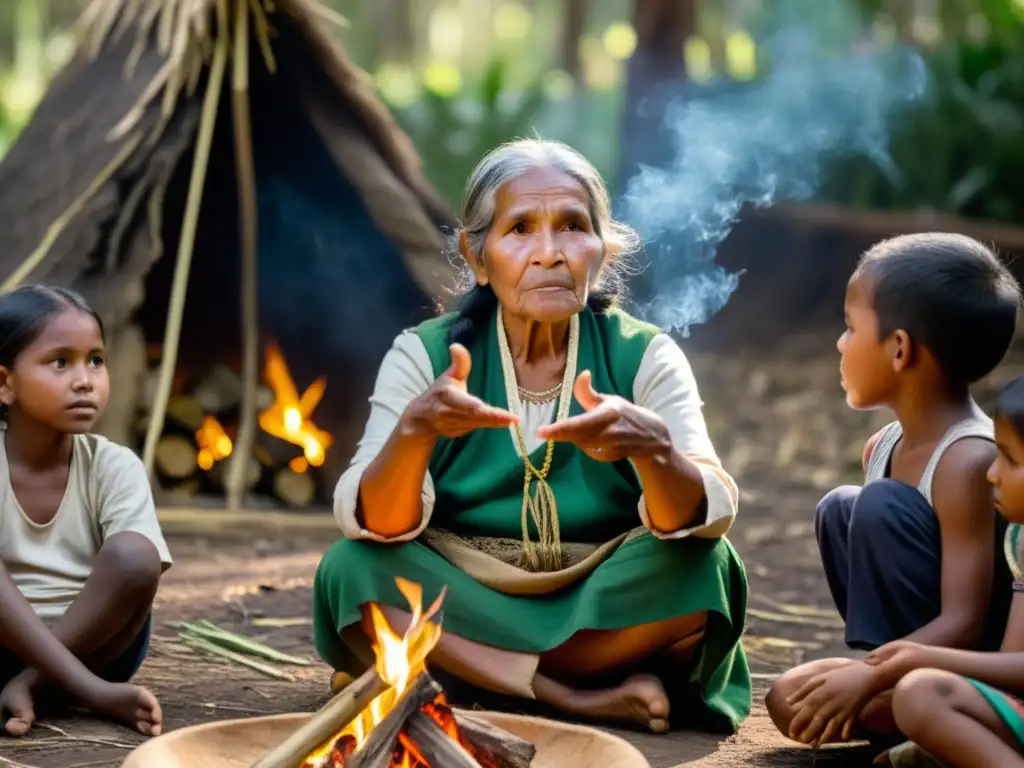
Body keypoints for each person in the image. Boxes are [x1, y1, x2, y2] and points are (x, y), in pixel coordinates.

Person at [312, 139, 750, 735]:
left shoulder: (645, 355)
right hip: (467, 591)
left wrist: (655, 451)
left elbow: (703, 512)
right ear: (478, 255)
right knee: (352, 568)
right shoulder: (425, 355)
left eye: (572, 226)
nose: (549, 253)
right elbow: (377, 523)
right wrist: (415, 431)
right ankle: (563, 694)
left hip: (594, 599)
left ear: (603, 249)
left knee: (706, 567)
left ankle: (465, 674)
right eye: (520, 229)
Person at [765, 233, 1020, 744]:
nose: (840, 343)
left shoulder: (968, 462)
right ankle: (909, 721)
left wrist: (872, 676)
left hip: (969, 669)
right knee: (786, 697)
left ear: (899, 349)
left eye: (849, 328)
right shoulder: (883, 445)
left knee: (876, 505)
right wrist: (862, 674)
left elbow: (965, 622)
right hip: (904, 661)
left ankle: (926, 719)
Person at [775, 375, 1024, 768]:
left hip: (977, 691)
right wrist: (893, 667)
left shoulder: (966, 457)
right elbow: (1011, 669)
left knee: (919, 696)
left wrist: (906, 663)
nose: (992, 472)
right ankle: (936, 736)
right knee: (790, 696)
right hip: (998, 697)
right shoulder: (1020, 540)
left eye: (1009, 459)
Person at [0, 285, 170, 737]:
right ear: (4, 383)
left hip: (99, 650)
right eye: (60, 362)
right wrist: (94, 692)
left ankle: (31, 687)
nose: (85, 379)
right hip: (14, 653)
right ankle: (77, 693)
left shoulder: (113, 466)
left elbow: (135, 577)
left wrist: (37, 673)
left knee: (137, 555)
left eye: (96, 359)